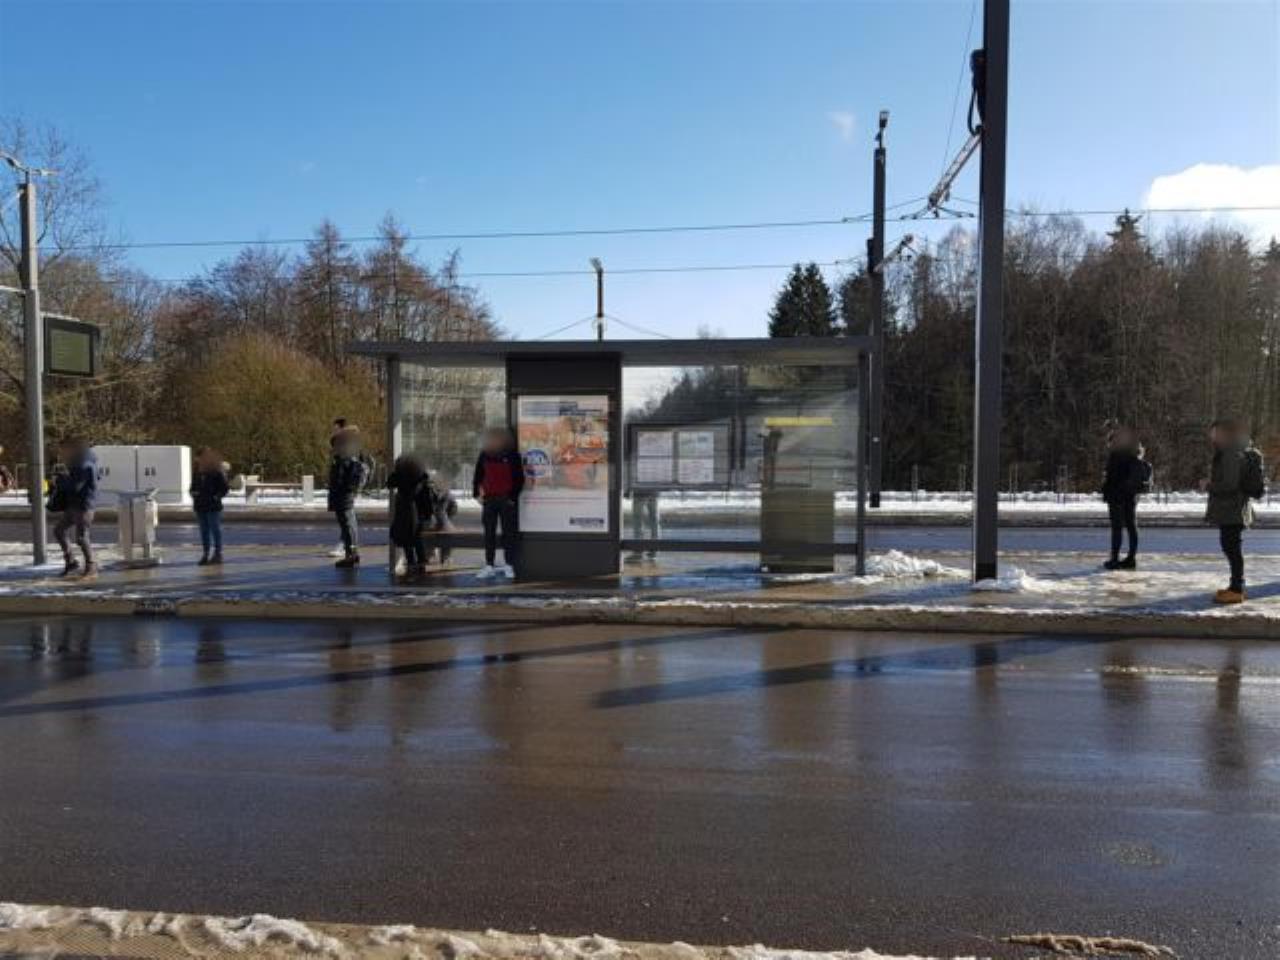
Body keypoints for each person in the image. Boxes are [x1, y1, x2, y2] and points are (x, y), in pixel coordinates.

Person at [1200, 418, 1266, 604]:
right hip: (1236, 508)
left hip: (1231, 509)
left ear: (1224, 434)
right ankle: (1235, 586)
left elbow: (1230, 485)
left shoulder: (1230, 453)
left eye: (1215, 433)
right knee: (1232, 547)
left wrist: (1208, 485)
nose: (1212, 437)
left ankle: (1237, 589)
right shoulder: (1237, 450)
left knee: (1232, 548)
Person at [472, 426, 524, 579]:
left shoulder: (513, 456)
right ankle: (489, 565)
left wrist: (512, 498)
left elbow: (519, 479)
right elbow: (478, 475)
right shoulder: (484, 454)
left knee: (509, 534)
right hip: (489, 500)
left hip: (506, 500)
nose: (494, 441)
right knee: (489, 534)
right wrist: (476, 494)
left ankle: (509, 565)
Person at [1100, 425, 1150, 570]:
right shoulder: (1133, 453)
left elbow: (1113, 478)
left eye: (1110, 441)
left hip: (1117, 496)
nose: (1109, 445)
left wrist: (1107, 490)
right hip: (1131, 496)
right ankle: (1131, 558)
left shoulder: (1117, 456)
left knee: (1117, 527)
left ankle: (1114, 559)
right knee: (1131, 526)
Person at [50, 438, 98, 579]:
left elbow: (75, 486)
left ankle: (91, 567)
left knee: (81, 537)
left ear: (71, 448)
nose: (62, 453)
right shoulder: (79, 462)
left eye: (63, 450)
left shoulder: (84, 464)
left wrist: (60, 479)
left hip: (83, 506)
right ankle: (71, 563)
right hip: (74, 505)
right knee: (59, 530)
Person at [385, 453, 434, 577]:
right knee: (416, 538)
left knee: (407, 538)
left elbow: (389, 483)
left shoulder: (401, 476)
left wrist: (397, 472)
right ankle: (420, 563)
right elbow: (427, 498)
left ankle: (412, 562)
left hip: (405, 510)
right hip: (416, 511)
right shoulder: (421, 477)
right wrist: (428, 514)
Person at [328, 425, 370, 568]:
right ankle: (351, 553)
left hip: (343, 495)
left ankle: (351, 555)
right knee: (348, 525)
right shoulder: (348, 455)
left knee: (348, 526)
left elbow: (341, 478)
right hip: (344, 495)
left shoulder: (345, 457)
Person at [190, 447, 230, 565]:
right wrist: (193, 493)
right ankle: (206, 554)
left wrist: (216, 497)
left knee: (215, 530)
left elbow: (225, 488)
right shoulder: (197, 471)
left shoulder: (216, 471)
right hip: (200, 506)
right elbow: (192, 487)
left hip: (213, 506)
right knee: (204, 532)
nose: (199, 460)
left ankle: (218, 554)